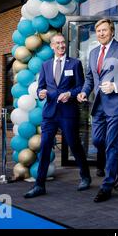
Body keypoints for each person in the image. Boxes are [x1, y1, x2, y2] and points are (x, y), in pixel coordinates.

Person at [78, 18, 118, 202]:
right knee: (98, 141)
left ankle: (107, 185)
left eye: (104, 30)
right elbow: (90, 78)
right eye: (99, 31)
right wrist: (84, 92)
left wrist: (115, 85)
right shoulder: (94, 52)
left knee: (112, 144)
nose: (101, 33)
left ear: (112, 31)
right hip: (99, 105)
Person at [24, 33, 91, 199]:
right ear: (52, 46)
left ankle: (85, 176)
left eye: (63, 43)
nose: (61, 46)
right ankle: (39, 185)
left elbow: (80, 86)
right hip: (50, 113)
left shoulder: (75, 63)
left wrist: (70, 93)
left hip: (68, 112)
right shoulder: (45, 65)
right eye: (58, 43)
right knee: (45, 146)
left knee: (74, 144)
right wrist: (41, 93)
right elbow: (41, 87)